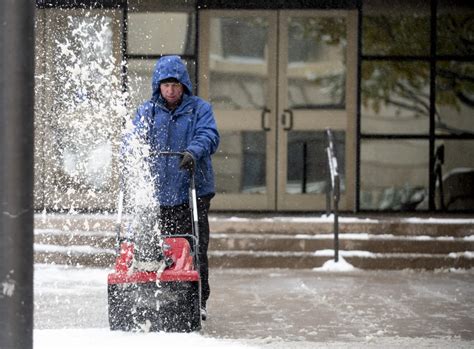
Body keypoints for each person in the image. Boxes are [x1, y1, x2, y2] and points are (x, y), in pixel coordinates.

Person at [128, 55, 219, 320]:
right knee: (160, 250)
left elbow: (209, 135)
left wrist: (193, 151)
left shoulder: (199, 109)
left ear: (184, 86)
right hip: (158, 195)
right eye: (166, 85)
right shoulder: (147, 111)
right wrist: (132, 154)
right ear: (158, 85)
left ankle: (198, 299)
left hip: (192, 191)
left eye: (175, 85)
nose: (170, 90)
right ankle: (161, 297)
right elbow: (133, 139)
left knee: (194, 247)